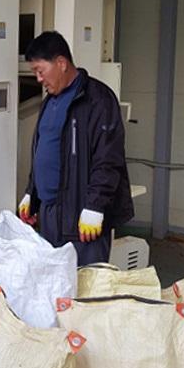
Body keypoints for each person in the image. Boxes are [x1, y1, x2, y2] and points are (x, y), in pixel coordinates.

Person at [18, 31, 134, 266]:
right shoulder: (49, 102)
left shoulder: (98, 100)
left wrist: (95, 206)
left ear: (61, 63)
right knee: (54, 283)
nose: (38, 79)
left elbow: (108, 159)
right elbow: (43, 151)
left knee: (84, 284)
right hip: (50, 217)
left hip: (82, 219)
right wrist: (32, 193)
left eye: (40, 70)